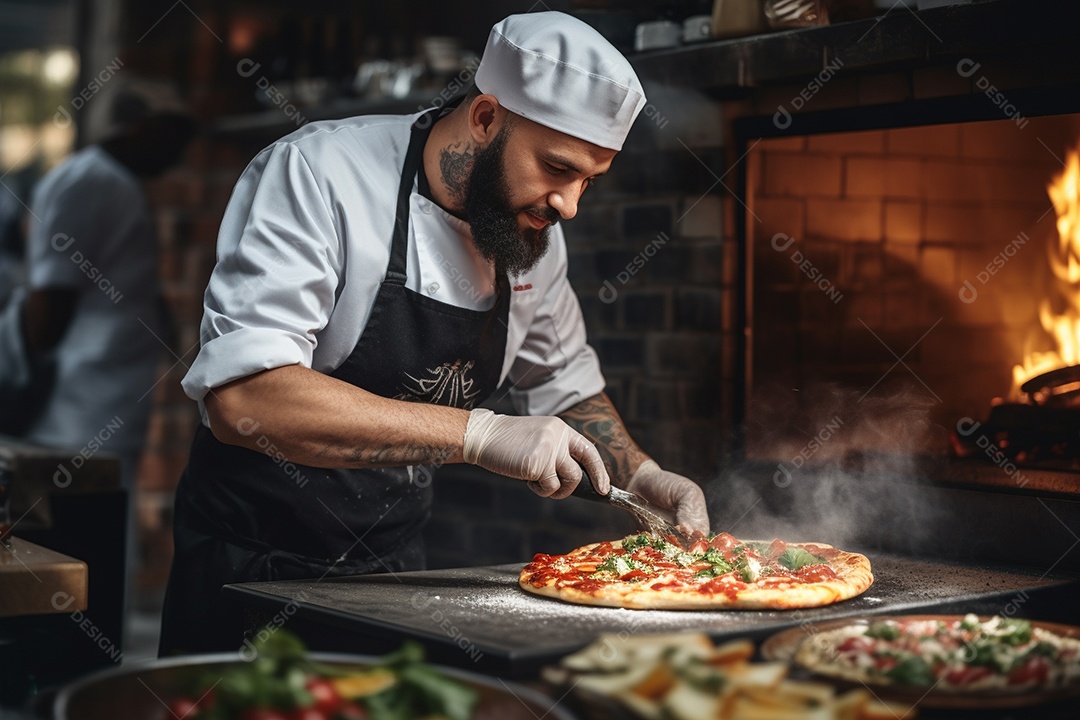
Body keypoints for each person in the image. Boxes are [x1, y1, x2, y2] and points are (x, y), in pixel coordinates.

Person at [159, 12, 709, 655]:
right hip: (250, 566)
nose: (570, 206)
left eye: (588, 180)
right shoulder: (321, 173)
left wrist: (641, 477)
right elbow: (246, 400)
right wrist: (480, 433)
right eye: (557, 168)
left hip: (394, 567)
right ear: (485, 118)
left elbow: (559, 385)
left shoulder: (531, 235)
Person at [0, 77, 194, 621]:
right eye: (173, 134)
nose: (182, 151)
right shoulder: (94, 183)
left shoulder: (112, 181)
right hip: (74, 412)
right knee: (76, 554)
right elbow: (48, 305)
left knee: (95, 550)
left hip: (99, 406)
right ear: (139, 127)